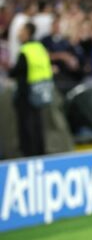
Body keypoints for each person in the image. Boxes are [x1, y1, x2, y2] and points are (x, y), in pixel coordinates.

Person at [11, 22, 54, 156]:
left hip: (26, 93)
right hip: (41, 91)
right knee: (38, 125)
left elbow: (17, 71)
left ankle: (29, 155)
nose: (19, 34)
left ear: (28, 32)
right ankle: (40, 153)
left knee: (26, 127)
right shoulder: (40, 47)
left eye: (21, 31)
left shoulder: (25, 50)